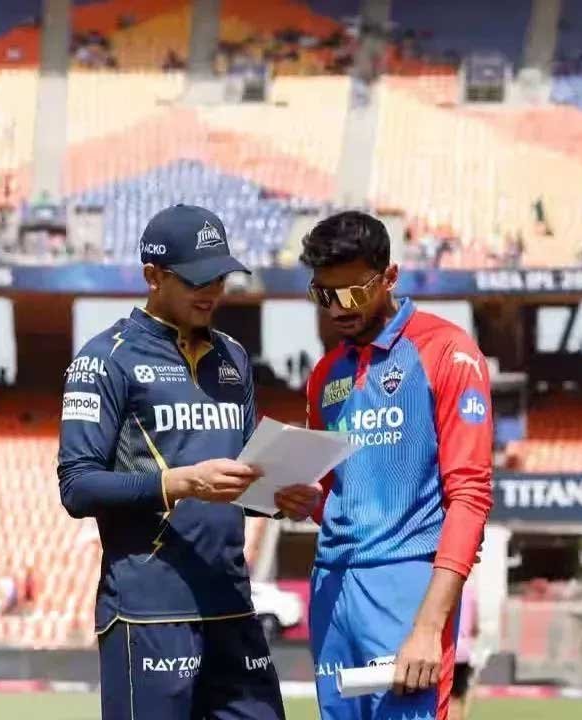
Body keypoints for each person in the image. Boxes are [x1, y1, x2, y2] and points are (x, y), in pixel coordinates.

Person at [57, 204, 285, 720]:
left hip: (231, 603)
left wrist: (279, 496)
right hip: (149, 610)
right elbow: (77, 486)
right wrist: (179, 483)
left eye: (220, 278)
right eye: (196, 279)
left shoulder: (234, 357)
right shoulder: (104, 359)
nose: (212, 291)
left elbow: (240, 482)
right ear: (153, 276)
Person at [274, 211, 494, 720]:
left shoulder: (447, 352)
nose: (338, 309)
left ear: (389, 277)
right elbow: (343, 494)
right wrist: (309, 503)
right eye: (324, 295)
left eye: (352, 293)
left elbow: (470, 496)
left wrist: (428, 626)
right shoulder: (325, 375)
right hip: (331, 589)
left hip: (405, 589)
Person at [450, 575, 480, 720]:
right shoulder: (470, 591)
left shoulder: (442, 589)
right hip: (463, 653)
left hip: (445, 651)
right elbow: (475, 627)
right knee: (456, 698)